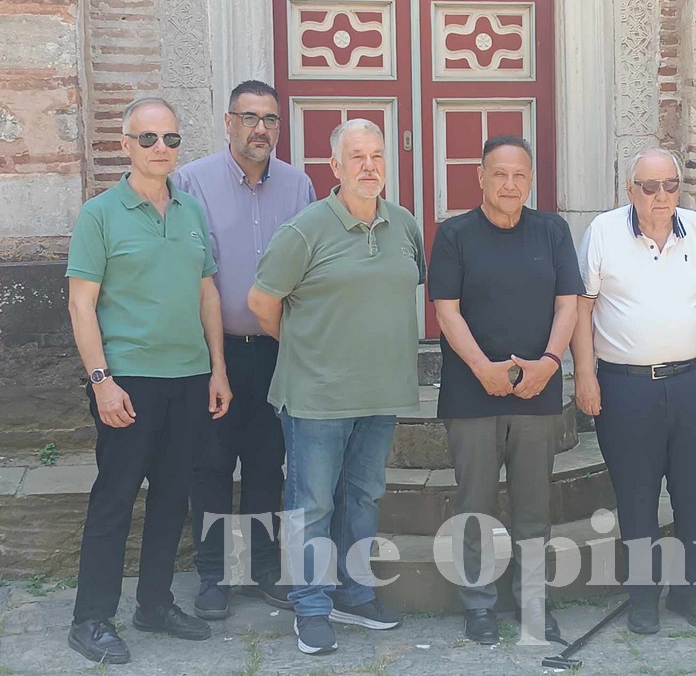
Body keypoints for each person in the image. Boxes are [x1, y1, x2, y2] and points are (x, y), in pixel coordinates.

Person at [248, 119, 423, 656]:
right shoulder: (304, 231)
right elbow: (261, 303)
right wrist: (307, 348)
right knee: (312, 504)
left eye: (377, 156)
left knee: (362, 497)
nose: (369, 166)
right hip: (316, 396)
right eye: (357, 157)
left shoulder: (404, 224)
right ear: (335, 167)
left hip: (381, 393)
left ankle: (354, 592)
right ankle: (311, 606)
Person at [66, 97, 231, 664]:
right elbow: (81, 305)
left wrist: (218, 369)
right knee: (115, 498)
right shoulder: (99, 215)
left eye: (171, 138)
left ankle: (155, 604)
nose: (161, 148)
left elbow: (207, 293)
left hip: (188, 378)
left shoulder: (191, 211)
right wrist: (101, 381)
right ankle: (91, 619)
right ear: (125, 145)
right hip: (128, 380)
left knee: (171, 497)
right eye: (148, 138)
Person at [572, 148, 696, 635]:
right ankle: (643, 598)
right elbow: (582, 309)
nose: (662, 195)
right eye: (650, 187)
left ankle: (691, 593)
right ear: (630, 191)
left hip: (693, 384)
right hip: (625, 388)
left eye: (670, 185)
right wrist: (583, 374)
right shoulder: (603, 231)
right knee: (637, 497)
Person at [429, 135, 583, 645]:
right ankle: (478, 604)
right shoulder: (454, 234)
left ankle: (532, 600)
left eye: (519, 175)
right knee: (475, 504)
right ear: (480, 177)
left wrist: (550, 364)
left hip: (538, 390)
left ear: (531, 179)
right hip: (472, 393)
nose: (510, 184)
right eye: (499, 174)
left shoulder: (552, 231)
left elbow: (568, 304)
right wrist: (482, 368)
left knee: (534, 508)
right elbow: (447, 311)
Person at [174, 80, 315, 618]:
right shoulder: (192, 182)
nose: (261, 128)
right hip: (216, 352)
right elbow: (187, 272)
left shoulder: (299, 186)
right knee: (210, 463)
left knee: (267, 461)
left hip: (278, 350)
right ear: (228, 122)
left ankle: (262, 568)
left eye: (270, 119)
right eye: (250, 117)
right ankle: (214, 574)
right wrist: (211, 363)